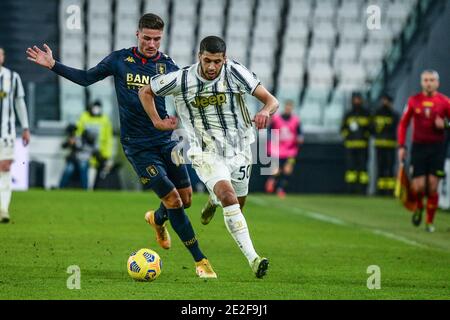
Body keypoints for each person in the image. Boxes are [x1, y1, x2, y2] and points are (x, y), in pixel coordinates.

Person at [26, 14, 216, 278]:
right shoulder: (119, 60)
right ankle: (201, 261)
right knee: (172, 199)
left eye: (157, 39)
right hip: (137, 146)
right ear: (137, 34)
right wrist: (54, 65)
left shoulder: (167, 65)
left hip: (166, 142)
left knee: (185, 200)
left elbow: (185, 96)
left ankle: (157, 219)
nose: (152, 43)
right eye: (147, 38)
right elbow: (86, 78)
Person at [139, 36, 279, 278]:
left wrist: (265, 111)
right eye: (207, 61)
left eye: (217, 61)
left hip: (240, 148)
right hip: (205, 151)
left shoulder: (235, 71)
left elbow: (271, 100)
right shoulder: (182, 78)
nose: (212, 67)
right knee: (229, 196)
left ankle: (213, 200)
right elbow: (146, 91)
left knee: (237, 204)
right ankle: (254, 259)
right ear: (199, 57)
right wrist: (157, 121)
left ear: (224, 59)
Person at [398, 70, 450, 232]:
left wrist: (446, 125)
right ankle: (419, 206)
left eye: (432, 80)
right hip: (418, 147)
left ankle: (429, 222)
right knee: (418, 187)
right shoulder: (413, 101)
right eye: (426, 80)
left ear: (437, 83)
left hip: (437, 148)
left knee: (433, 187)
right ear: (421, 82)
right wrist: (401, 146)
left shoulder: (445, 102)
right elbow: (403, 124)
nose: (428, 83)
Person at [0, 47, 31, 223]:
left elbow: (20, 104)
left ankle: (3, 209)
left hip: (6, 134)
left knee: (4, 169)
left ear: (4, 57)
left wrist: (25, 128)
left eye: (1, 53)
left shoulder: (12, 78)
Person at [265, 100, 304, 198]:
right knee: (276, 170)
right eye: (287, 107)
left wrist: (300, 139)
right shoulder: (276, 119)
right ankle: (271, 180)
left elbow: (299, 133)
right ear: (285, 107)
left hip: (290, 150)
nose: (288, 109)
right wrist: (273, 138)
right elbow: (269, 131)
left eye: (290, 107)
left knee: (287, 170)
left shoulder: (296, 120)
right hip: (277, 149)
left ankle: (280, 189)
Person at [75, 100, 113, 189]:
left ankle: (92, 189)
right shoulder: (84, 116)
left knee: (97, 174)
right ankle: (86, 189)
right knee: (85, 168)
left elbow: (108, 139)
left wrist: (106, 155)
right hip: (85, 151)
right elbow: (78, 132)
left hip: (99, 153)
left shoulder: (105, 119)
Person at [340, 92, 371, 194]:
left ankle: (362, 190)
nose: (356, 101)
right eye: (355, 99)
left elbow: (370, 129)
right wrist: (348, 137)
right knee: (350, 169)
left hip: (362, 146)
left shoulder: (366, 114)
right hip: (350, 146)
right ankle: (350, 190)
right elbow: (342, 129)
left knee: (362, 169)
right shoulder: (348, 115)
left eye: (358, 99)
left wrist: (365, 137)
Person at [372, 93, 399, 196]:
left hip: (390, 145)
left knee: (390, 167)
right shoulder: (376, 113)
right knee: (380, 167)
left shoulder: (394, 115)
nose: (385, 102)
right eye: (383, 100)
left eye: (387, 100)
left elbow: (394, 128)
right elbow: (373, 128)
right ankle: (380, 190)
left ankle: (390, 190)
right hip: (379, 145)